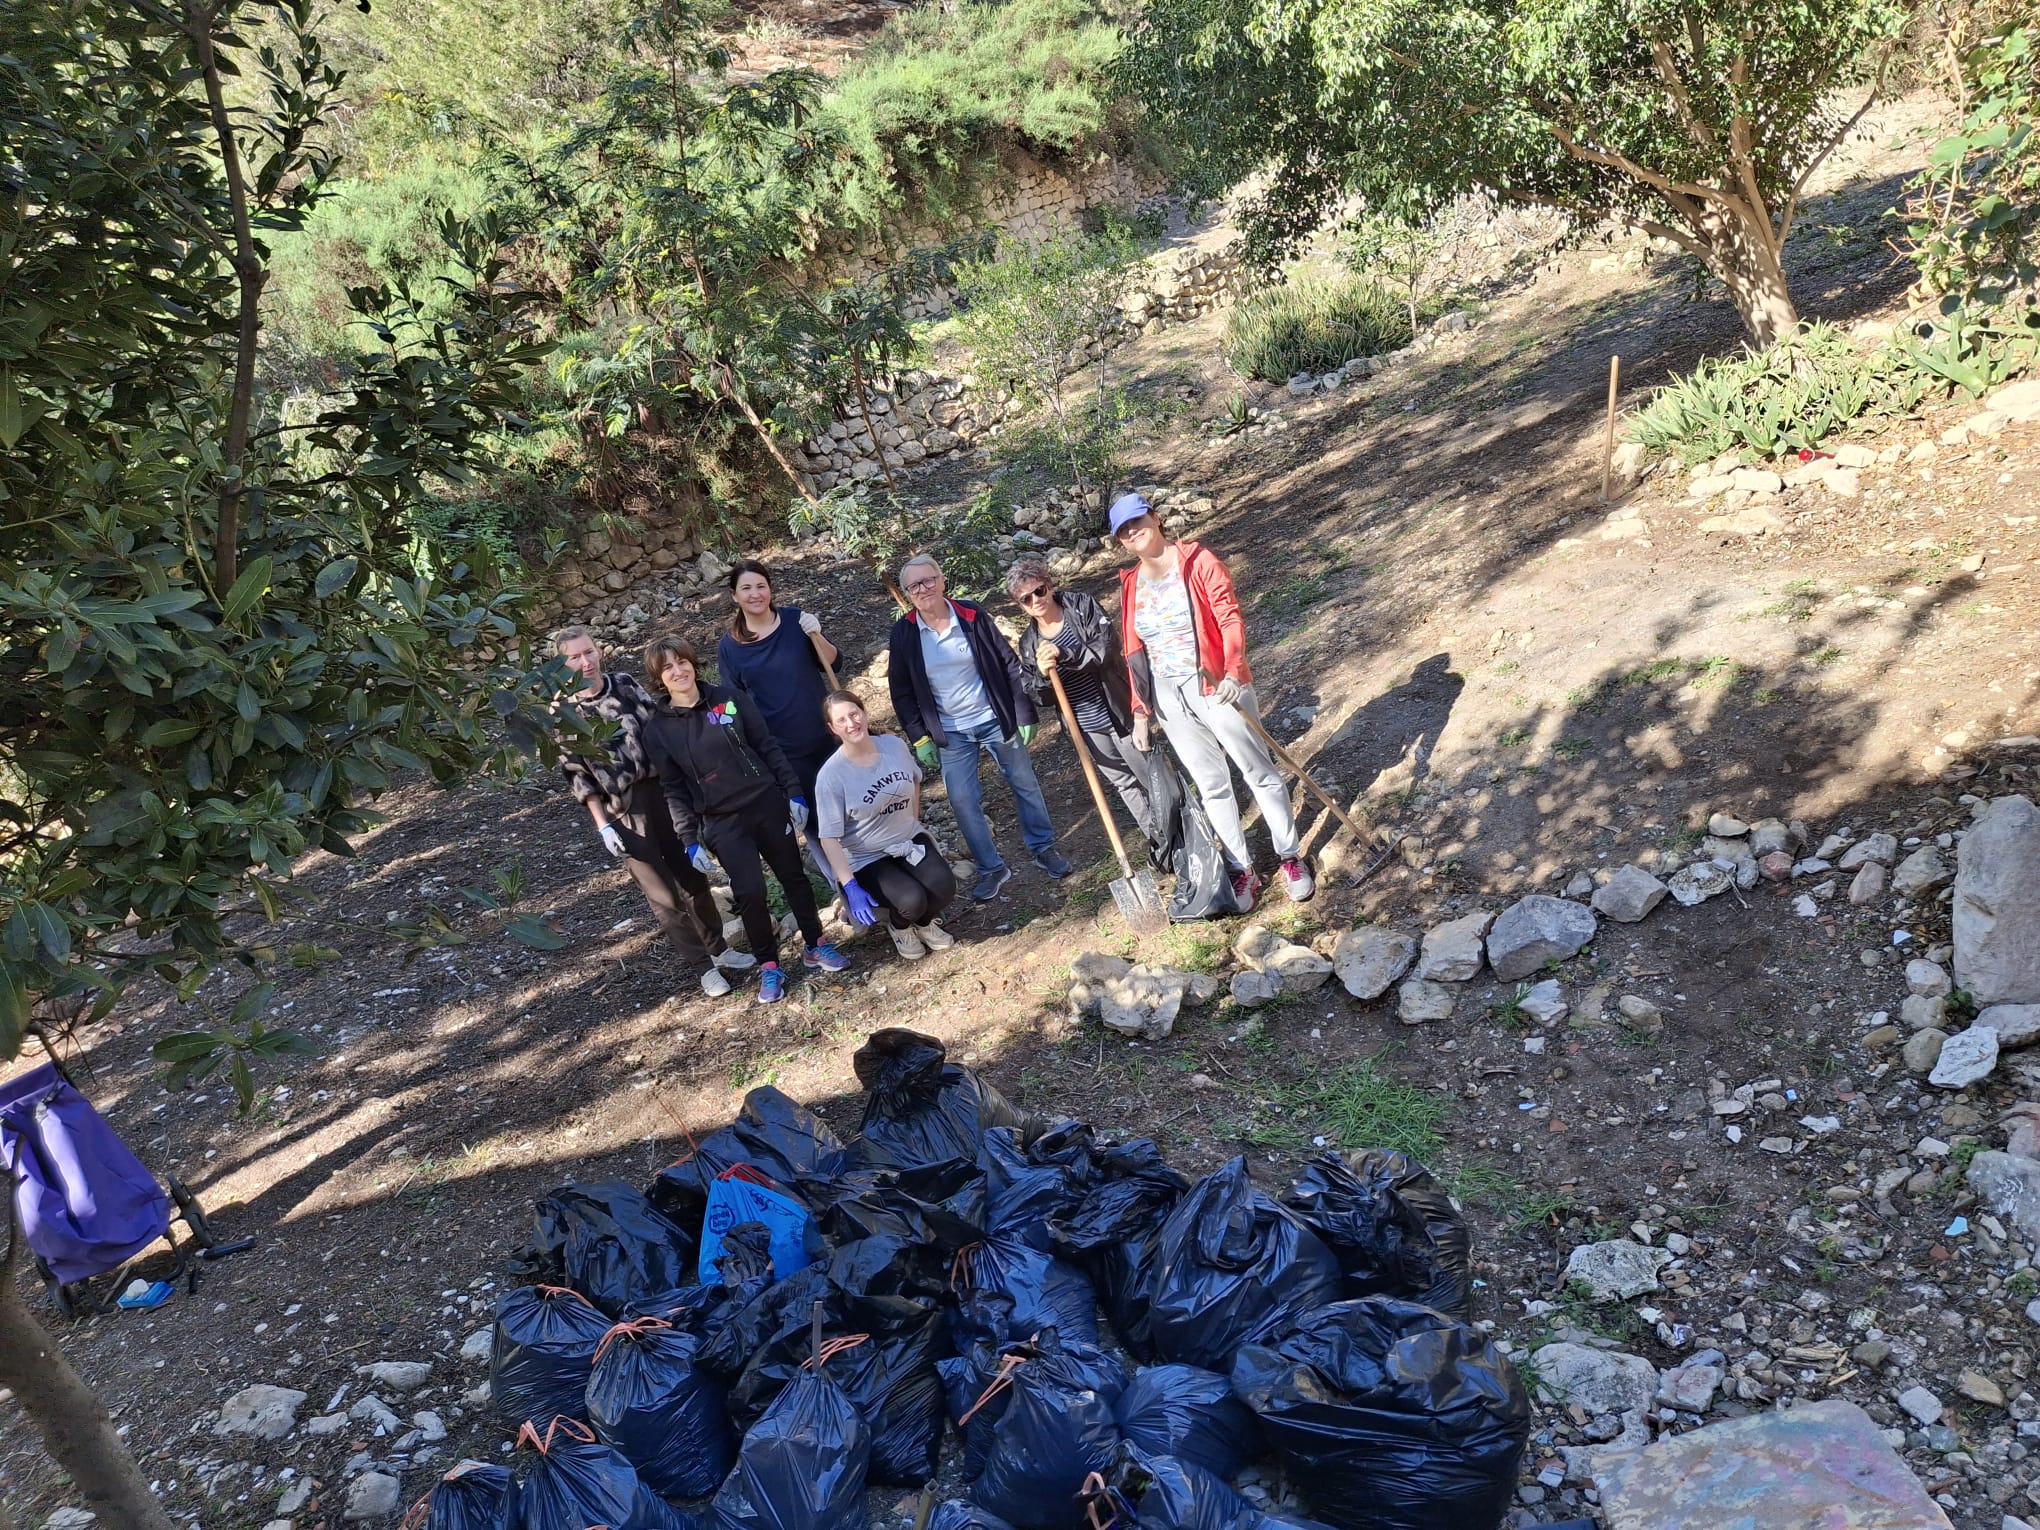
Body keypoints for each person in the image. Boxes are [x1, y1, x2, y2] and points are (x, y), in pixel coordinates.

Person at [1109, 493, 1315, 907]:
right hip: (1169, 696)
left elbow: (1229, 617)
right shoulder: (1130, 584)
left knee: (1258, 770)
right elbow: (1133, 651)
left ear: (1156, 517)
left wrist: (1234, 671)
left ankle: (1289, 856)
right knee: (1211, 785)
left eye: (1138, 520)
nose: (1134, 532)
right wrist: (1140, 712)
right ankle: (1242, 870)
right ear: (1121, 541)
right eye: (1123, 530)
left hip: (1215, 683)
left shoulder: (1199, 561)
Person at [639, 633, 850, 1004]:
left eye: (682, 661)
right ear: (659, 678)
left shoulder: (727, 699)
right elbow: (673, 788)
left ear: (692, 662)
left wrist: (794, 792)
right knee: (750, 892)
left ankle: (816, 945)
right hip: (722, 821)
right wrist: (689, 839)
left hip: (766, 803)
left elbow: (766, 744)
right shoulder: (658, 729)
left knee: (794, 878)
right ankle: (770, 966)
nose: (678, 670)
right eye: (667, 667)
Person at [553, 625, 755, 998]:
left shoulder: (625, 684)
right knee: (663, 895)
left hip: (663, 791)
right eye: (575, 657)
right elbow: (577, 774)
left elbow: (660, 728)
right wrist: (602, 826)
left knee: (693, 876)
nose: (585, 662)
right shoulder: (563, 712)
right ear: (562, 664)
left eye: (589, 652)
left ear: (599, 651)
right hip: (623, 808)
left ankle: (720, 949)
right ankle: (701, 966)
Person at [886, 553, 1071, 902]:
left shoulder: (970, 615)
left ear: (941, 581)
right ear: (908, 594)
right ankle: (992, 867)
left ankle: (1044, 847)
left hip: (993, 718)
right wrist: (919, 736)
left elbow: (1006, 661)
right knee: (962, 799)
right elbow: (901, 690)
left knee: (1024, 782)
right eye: (914, 586)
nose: (923, 589)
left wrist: (1023, 711)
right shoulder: (905, 633)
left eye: (928, 581)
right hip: (950, 732)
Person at [1007, 555, 1154, 846]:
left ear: (1049, 585)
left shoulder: (1081, 606)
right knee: (1124, 784)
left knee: (1153, 778)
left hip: (1118, 713)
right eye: (1026, 599)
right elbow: (1039, 695)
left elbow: (1107, 648)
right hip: (1086, 728)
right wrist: (1043, 673)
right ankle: (1161, 842)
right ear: (1020, 605)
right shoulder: (1029, 643)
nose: (1036, 600)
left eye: (1039, 591)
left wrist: (1065, 655)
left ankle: (1187, 832)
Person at [813, 690, 959, 961]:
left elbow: (914, 779)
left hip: (907, 839)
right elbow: (829, 838)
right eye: (841, 720)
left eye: (854, 714)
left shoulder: (893, 746)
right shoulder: (831, 777)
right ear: (832, 728)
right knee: (911, 900)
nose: (851, 723)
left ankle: (925, 924)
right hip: (867, 857)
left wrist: (912, 821)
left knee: (944, 886)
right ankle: (900, 925)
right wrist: (850, 885)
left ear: (864, 713)